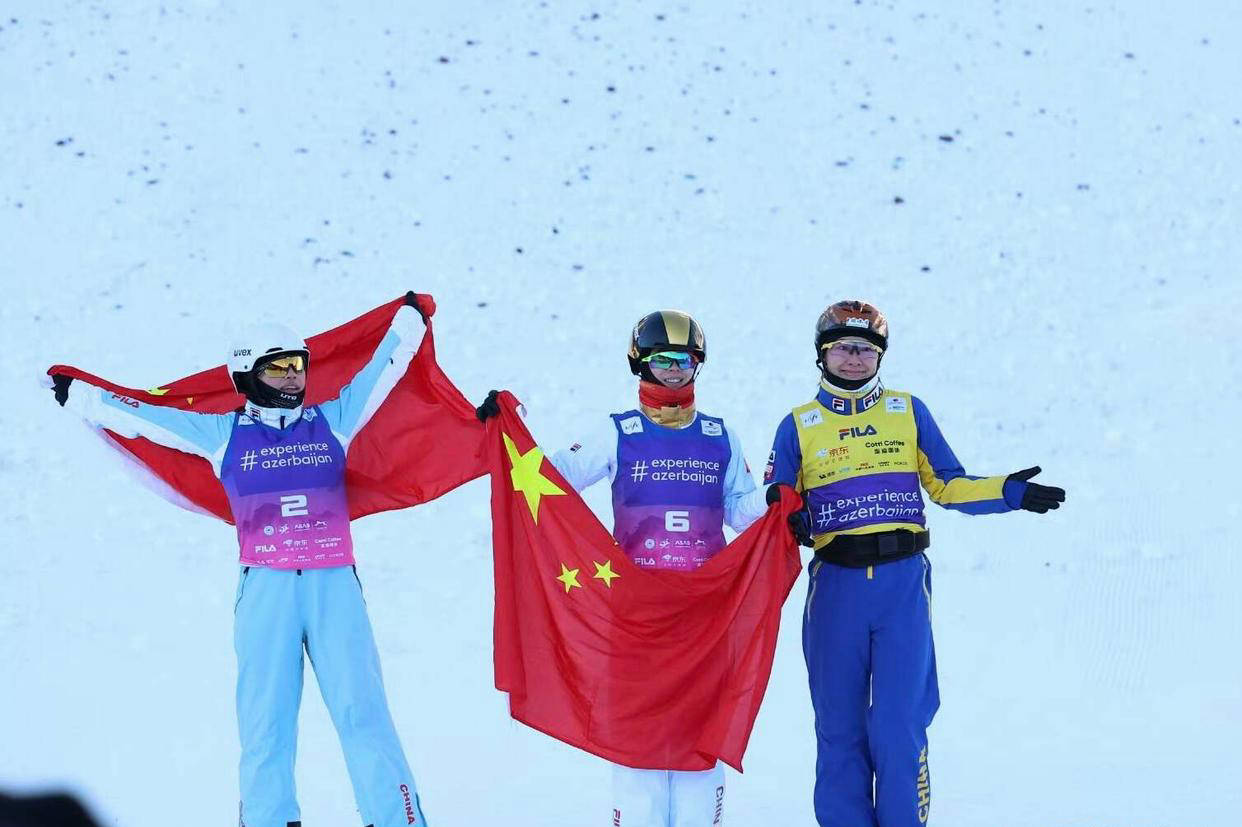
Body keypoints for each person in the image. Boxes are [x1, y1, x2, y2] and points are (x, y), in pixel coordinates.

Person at [50, 294, 432, 827]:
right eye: (278, 367)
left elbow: (380, 374)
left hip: (334, 586)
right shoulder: (222, 434)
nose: (293, 376)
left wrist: (409, 323)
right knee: (266, 724)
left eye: (297, 365)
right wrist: (83, 397)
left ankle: (398, 819)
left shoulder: (334, 420)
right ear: (247, 375)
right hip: (266, 589)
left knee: (362, 712)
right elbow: (144, 417)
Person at [762, 300, 1065, 827]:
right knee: (839, 729)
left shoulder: (907, 411)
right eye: (843, 348)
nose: (854, 358)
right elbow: (777, 503)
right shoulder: (798, 425)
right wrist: (791, 517)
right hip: (835, 588)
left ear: (880, 356)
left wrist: (1008, 492)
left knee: (898, 727)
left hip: (901, 584)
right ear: (822, 355)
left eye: (866, 350)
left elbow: (948, 484)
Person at [477, 310, 767, 827]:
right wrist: (508, 433)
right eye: (663, 359)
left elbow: (741, 510)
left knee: (700, 736)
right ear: (640, 363)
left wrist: (777, 500)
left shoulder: (720, 435)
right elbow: (550, 479)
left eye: (684, 359)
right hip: (634, 610)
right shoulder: (617, 432)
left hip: (703, 612)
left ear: (698, 364)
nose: (674, 369)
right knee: (637, 739)